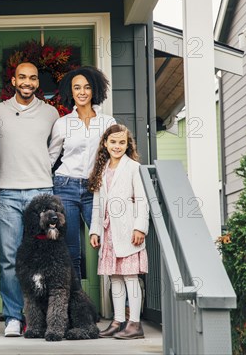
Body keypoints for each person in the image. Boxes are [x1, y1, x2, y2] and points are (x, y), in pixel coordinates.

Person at [0, 62, 60, 337]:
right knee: (9, 259)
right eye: (22, 77)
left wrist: (42, 165)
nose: (27, 82)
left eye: (32, 77)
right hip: (6, 191)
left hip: (40, 192)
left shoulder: (50, 113)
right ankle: (12, 317)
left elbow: (55, 148)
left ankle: (39, 317)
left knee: (43, 259)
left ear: (37, 83)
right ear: (14, 79)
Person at [48, 66, 116, 280]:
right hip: (65, 187)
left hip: (95, 188)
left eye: (87, 87)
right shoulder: (62, 123)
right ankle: (75, 304)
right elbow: (51, 157)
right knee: (72, 251)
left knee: (108, 242)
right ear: (71, 92)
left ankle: (120, 301)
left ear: (94, 90)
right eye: (77, 88)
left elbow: (116, 156)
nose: (82, 92)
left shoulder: (108, 122)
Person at [88, 124, 149, 339]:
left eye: (122, 142)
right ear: (105, 143)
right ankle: (118, 320)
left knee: (130, 277)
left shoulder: (133, 167)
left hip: (128, 230)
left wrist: (140, 227)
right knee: (114, 278)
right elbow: (97, 203)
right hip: (109, 232)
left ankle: (135, 324)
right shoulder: (102, 169)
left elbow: (142, 200)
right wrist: (95, 230)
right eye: (113, 142)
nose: (117, 146)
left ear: (127, 144)